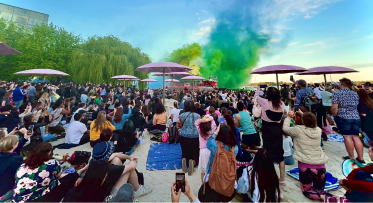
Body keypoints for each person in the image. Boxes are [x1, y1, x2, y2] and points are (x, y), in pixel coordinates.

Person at [13, 143, 88, 202]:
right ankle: (81, 171)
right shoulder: (51, 163)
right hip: (37, 198)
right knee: (70, 178)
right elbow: (59, 176)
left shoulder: (23, 165)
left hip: (18, 198)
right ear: (49, 152)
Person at [283, 111, 329, 201]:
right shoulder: (318, 130)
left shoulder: (298, 130)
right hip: (321, 166)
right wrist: (303, 114)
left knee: (306, 191)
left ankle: (324, 198)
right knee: (320, 190)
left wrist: (288, 117)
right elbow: (311, 122)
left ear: (303, 121)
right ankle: (326, 197)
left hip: (306, 167)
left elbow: (285, 129)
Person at [255, 86, 287, 192]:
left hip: (267, 129)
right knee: (279, 155)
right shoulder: (281, 104)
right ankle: (282, 180)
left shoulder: (264, 102)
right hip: (277, 130)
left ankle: (270, 178)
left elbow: (256, 97)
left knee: (267, 154)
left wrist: (258, 89)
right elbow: (285, 114)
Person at [198, 124, 238, 203]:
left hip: (213, 173)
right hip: (228, 175)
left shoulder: (214, 145)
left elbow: (208, 143)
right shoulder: (234, 147)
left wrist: (215, 133)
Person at [63, 161, 136, 203]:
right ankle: (138, 189)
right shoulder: (98, 193)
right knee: (127, 190)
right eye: (106, 177)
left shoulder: (74, 191)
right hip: (106, 198)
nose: (107, 178)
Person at [332, 78, 365, 163]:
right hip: (355, 117)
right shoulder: (355, 94)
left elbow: (334, 107)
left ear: (341, 84)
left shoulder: (337, 93)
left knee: (347, 136)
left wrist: (334, 115)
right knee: (356, 136)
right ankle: (361, 158)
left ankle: (351, 156)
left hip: (343, 117)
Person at [0, 128, 31, 199]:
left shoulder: (5, 154)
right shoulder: (16, 159)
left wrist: (25, 138)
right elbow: (18, 174)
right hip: (5, 188)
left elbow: (11, 150)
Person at [179, 101, 200, 176]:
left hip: (184, 137)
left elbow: (179, 126)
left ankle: (185, 159)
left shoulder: (181, 115)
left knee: (185, 152)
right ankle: (193, 162)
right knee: (195, 153)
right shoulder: (198, 116)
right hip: (195, 137)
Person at [194, 115, 216, 182]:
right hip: (211, 150)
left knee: (203, 170)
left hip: (203, 151)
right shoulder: (212, 129)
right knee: (211, 169)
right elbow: (213, 120)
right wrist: (208, 118)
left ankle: (203, 185)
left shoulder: (200, 129)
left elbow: (195, 123)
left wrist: (201, 120)